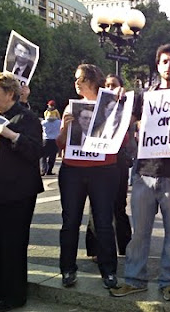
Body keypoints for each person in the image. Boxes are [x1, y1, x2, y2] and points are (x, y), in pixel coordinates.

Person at [110, 44, 170, 302]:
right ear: (158, 66)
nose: (169, 66)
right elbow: (121, 120)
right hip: (144, 171)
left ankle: (169, 282)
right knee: (140, 232)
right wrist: (118, 99)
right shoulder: (143, 97)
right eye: (165, 61)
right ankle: (135, 280)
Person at [56, 64, 120, 289]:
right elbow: (60, 144)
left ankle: (109, 271)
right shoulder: (70, 107)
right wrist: (64, 129)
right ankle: (67, 269)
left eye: (79, 79)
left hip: (103, 171)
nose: (75, 83)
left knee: (103, 222)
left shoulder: (112, 105)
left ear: (91, 81)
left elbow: (122, 139)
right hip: (72, 170)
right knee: (70, 221)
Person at [0, 72, 44, 311]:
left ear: (10, 94)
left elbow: (35, 150)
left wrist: (10, 134)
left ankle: (15, 295)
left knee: (13, 243)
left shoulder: (27, 119)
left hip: (18, 192)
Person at [86, 74, 132, 260]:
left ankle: (125, 246)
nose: (110, 88)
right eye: (106, 85)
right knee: (95, 205)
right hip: (96, 160)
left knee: (119, 204)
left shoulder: (124, 105)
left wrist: (124, 98)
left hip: (117, 160)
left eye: (114, 85)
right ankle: (95, 249)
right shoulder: (93, 106)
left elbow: (127, 137)